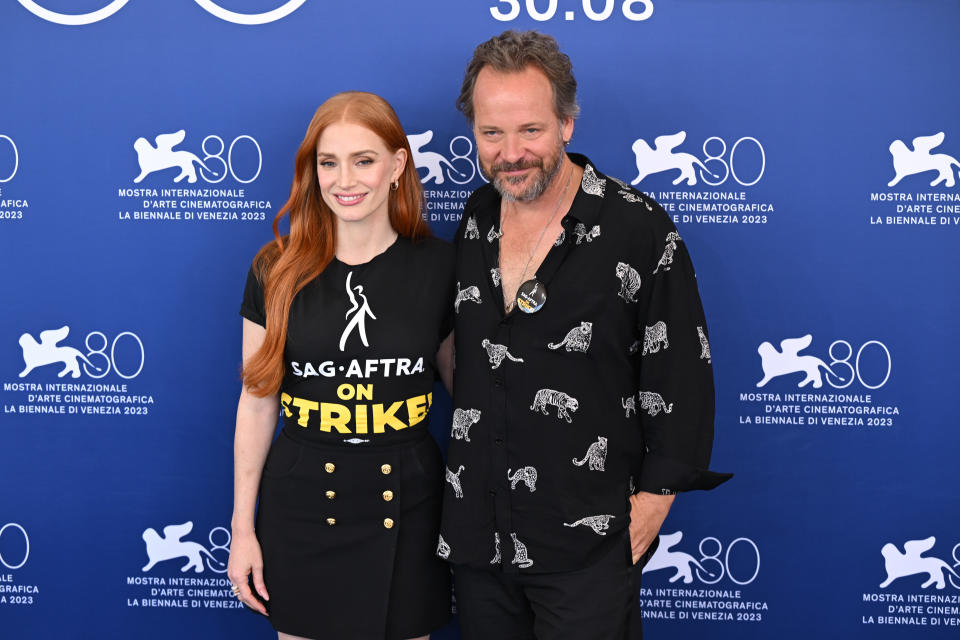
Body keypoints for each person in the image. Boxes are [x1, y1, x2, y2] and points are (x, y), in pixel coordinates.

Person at [438, 31, 732, 639]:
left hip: (588, 543)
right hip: (479, 538)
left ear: (568, 124)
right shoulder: (475, 219)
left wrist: (652, 504)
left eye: (531, 131)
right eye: (491, 133)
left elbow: (682, 371)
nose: (510, 153)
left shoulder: (637, 226)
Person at [228, 91, 454, 640]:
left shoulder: (442, 267)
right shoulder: (275, 269)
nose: (344, 180)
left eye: (364, 160)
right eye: (328, 162)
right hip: (302, 507)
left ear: (398, 165)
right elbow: (258, 402)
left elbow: (471, 398)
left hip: (411, 506)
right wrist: (241, 528)